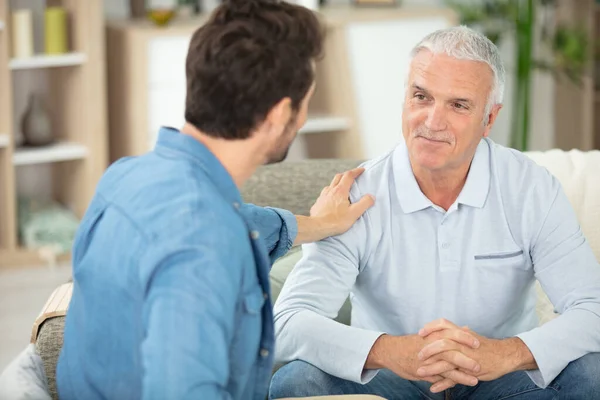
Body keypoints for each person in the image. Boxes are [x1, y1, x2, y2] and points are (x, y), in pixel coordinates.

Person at [55, 1, 375, 399]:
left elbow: (243, 223)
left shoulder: (127, 176)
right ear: (279, 115)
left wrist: (320, 224)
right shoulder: (204, 241)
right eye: (307, 101)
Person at [269, 26, 600, 400]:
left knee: (593, 373)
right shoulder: (357, 195)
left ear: (489, 119)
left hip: (500, 379)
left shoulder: (532, 188)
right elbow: (288, 323)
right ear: (405, 100)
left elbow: (593, 309)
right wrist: (391, 351)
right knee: (295, 381)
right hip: (389, 377)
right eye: (421, 97)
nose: (432, 121)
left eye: (458, 105)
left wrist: (504, 354)